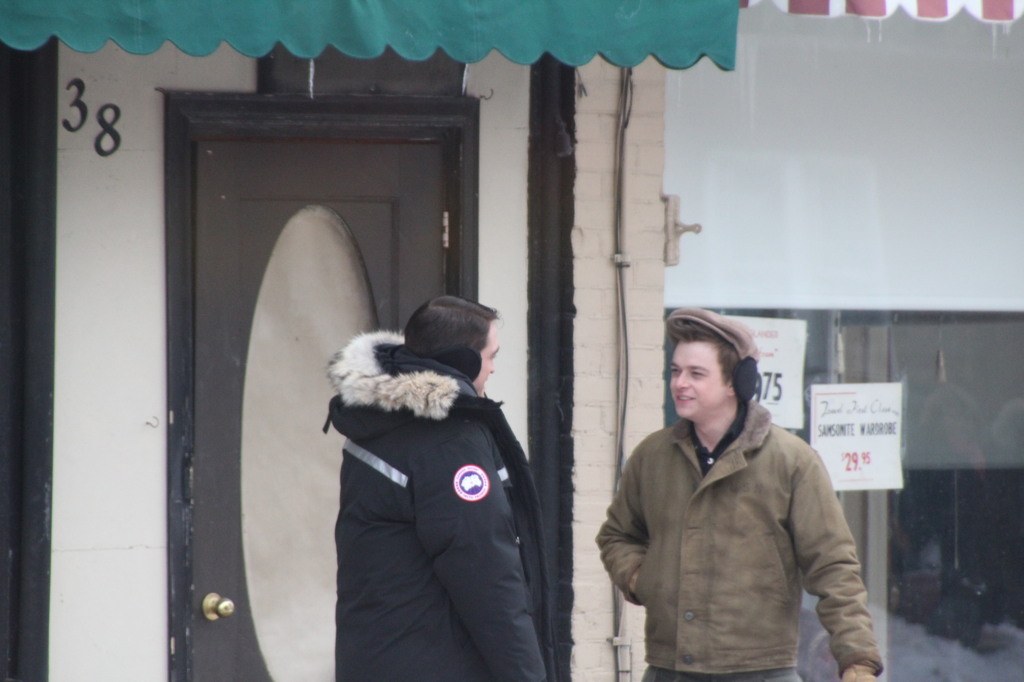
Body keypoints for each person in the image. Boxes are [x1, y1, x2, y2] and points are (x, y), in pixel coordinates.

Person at [596, 308, 883, 682]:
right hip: (670, 670)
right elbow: (617, 535)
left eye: (696, 374)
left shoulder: (791, 461)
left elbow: (832, 567)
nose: (680, 383)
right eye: (676, 371)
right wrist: (643, 579)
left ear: (736, 383)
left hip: (762, 671)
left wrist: (858, 659)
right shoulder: (653, 456)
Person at [324, 295, 556, 682]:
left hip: (378, 656)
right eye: (491, 356)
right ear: (463, 361)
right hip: (437, 664)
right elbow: (486, 578)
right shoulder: (449, 443)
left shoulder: (382, 420)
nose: (493, 368)